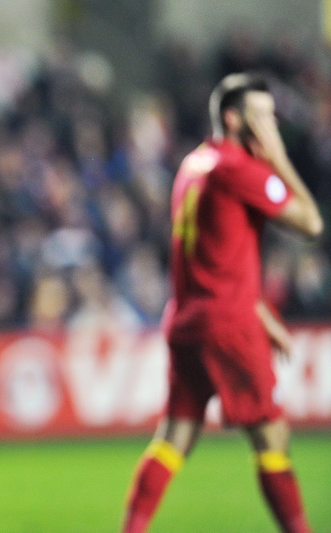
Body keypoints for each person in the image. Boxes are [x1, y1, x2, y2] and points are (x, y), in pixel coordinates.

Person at [120, 73, 323, 533]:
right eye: (262, 117)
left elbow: (216, 256)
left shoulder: (194, 164)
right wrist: (280, 158)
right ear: (233, 119)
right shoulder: (238, 169)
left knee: (175, 435)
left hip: (187, 319)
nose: (271, 126)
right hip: (227, 324)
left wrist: (262, 312)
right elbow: (311, 223)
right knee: (272, 436)